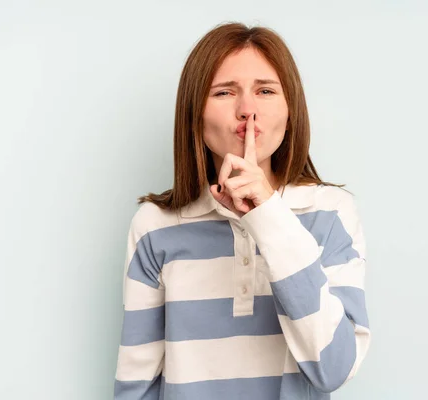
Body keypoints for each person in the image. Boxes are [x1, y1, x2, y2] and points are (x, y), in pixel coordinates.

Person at [113, 22, 371, 400]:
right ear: (194, 115)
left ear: (290, 111)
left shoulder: (331, 213)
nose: (247, 111)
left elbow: (333, 368)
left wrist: (267, 215)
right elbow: (137, 383)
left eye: (265, 91)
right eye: (224, 92)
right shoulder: (154, 226)